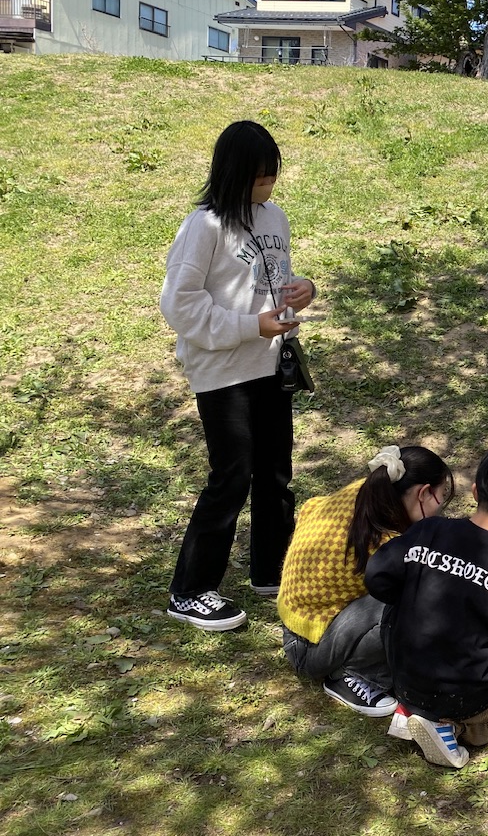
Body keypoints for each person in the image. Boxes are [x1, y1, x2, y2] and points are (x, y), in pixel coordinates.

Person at [159, 120, 316, 631]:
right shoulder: (203, 226)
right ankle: (190, 589)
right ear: (233, 174)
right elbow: (180, 305)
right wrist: (252, 324)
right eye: (259, 178)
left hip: (270, 362)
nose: (268, 187)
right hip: (222, 371)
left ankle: (271, 569)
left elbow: (267, 278)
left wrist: (301, 289)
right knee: (232, 476)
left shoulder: (274, 217)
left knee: (275, 472)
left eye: (272, 177)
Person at [367, 449, 488, 769]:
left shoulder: (427, 530)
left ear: (475, 491)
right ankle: (448, 727)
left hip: (406, 679)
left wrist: (409, 601)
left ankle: (410, 710)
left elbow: (376, 576)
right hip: (465, 699)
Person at [278, 445, 453, 717]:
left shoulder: (367, 492)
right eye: (441, 496)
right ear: (423, 493)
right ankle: (353, 675)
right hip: (309, 648)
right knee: (412, 602)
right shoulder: (387, 543)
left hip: (299, 624)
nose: (441, 506)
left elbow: (311, 507)